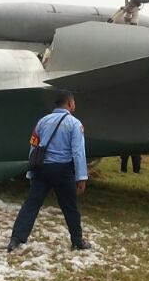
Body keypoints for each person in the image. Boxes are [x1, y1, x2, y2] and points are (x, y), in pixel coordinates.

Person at [8, 90, 90, 252]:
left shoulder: (42, 122)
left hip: (42, 170)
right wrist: (81, 177)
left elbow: (34, 148)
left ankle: (16, 239)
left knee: (31, 204)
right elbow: (78, 152)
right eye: (73, 102)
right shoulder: (74, 124)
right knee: (70, 206)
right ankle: (77, 241)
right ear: (69, 104)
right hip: (62, 170)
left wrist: (31, 172)